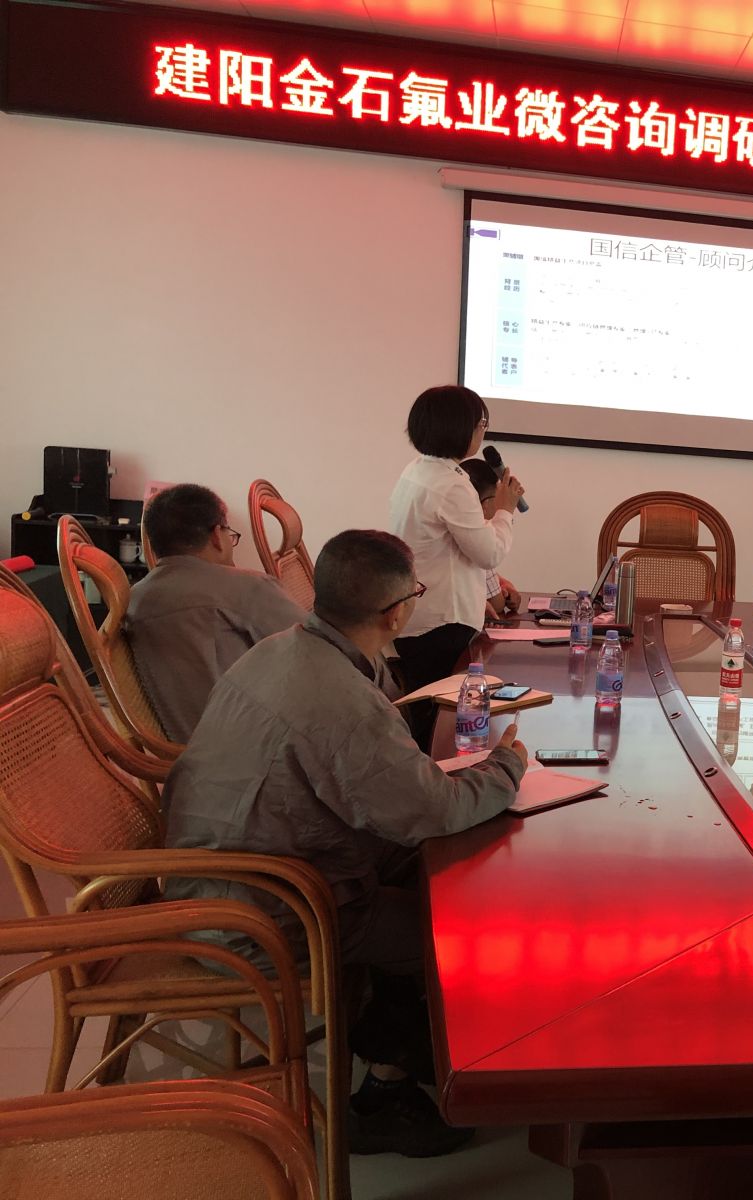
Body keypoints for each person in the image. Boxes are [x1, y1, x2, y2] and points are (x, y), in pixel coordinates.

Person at [163, 530, 528, 1155]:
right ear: (397, 613)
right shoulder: (339, 697)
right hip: (266, 909)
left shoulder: (281, 648)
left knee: (439, 869)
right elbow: (431, 811)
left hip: (231, 870)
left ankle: (401, 1060)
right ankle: (387, 1093)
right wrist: (507, 766)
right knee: (455, 929)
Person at [124, 483, 304, 742]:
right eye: (230, 534)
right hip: (260, 746)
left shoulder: (133, 599)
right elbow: (320, 651)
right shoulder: (245, 587)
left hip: (189, 752)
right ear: (218, 535)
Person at [388, 386, 523, 724]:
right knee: (439, 720)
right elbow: (488, 553)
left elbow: (449, 550)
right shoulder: (451, 485)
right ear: (461, 428)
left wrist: (476, 599)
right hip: (439, 627)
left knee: (426, 713)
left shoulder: (418, 470)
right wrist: (505, 510)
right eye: (481, 424)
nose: (483, 431)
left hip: (418, 615)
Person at [458, 458, 523, 624]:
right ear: (485, 504)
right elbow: (496, 604)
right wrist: (506, 511)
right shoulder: (479, 534)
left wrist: (503, 583)